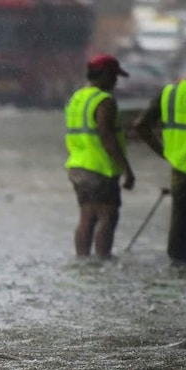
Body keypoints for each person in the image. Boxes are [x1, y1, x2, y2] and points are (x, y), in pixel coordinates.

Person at [133, 36, 186, 264]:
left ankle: (177, 268)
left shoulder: (169, 93)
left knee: (179, 222)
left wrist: (165, 153)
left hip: (179, 169)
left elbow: (140, 125)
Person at [64, 54, 136, 259]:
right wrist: (126, 170)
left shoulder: (76, 98)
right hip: (99, 167)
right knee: (107, 216)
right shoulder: (104, 101)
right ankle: (103, 261)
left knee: (87, 216)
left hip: (77, 167)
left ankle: (83, 260)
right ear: (103, 75)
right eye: (113, 76)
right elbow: (106, 137)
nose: (115, 81)